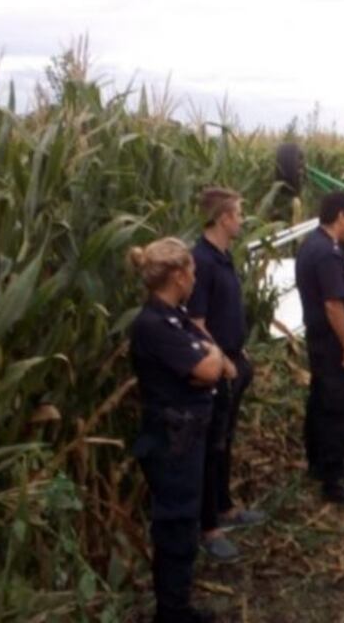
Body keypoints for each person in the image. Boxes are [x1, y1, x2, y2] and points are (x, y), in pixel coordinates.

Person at [128, 237, 227, 623]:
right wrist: (214, 359)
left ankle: (178, 606)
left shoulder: (175, 316)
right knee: (175, 526)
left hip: (184, 439)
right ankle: (171, 613)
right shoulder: (154, 324)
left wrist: (212, 357)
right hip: (171, 442)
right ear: (178, 275)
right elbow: (207, 368)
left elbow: (207, 351)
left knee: (184, 524)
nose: (195, 279)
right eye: (192, 272)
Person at [187, 187, 266, 563]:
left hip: (233, 359)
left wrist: (239, 349)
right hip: (215, 368)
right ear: (222, 218)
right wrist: (222, 358)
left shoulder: (223, 257)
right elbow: (196, 323)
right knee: (210, 446)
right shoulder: (199, 261)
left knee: (225, 440)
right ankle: (208, 527)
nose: (241, 220)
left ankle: (225, 506)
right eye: (237, 214)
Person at [295, 191, 344, 506]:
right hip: (332, 344)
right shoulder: (327, 253)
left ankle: (318, 464)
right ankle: (333, 480)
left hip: (320, 341)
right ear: (340, 216)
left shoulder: (313, 244)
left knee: (320, 401)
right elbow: (333, 305)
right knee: (336, 408)